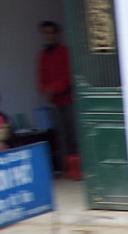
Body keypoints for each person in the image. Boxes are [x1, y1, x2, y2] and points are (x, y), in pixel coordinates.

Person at [37, 21, 76, 171]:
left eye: (51, 32)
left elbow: (68, 76)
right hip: (55, 102)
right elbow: (41, 79)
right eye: (45, 33)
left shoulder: (64, 52)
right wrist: (46, 90)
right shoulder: (43, 56)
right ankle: (66, 169)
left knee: (72, 134)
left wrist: (53, 88)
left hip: (68, 99)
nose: (48, 36)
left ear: (56, 34)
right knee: (61, 137)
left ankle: (77, 168)